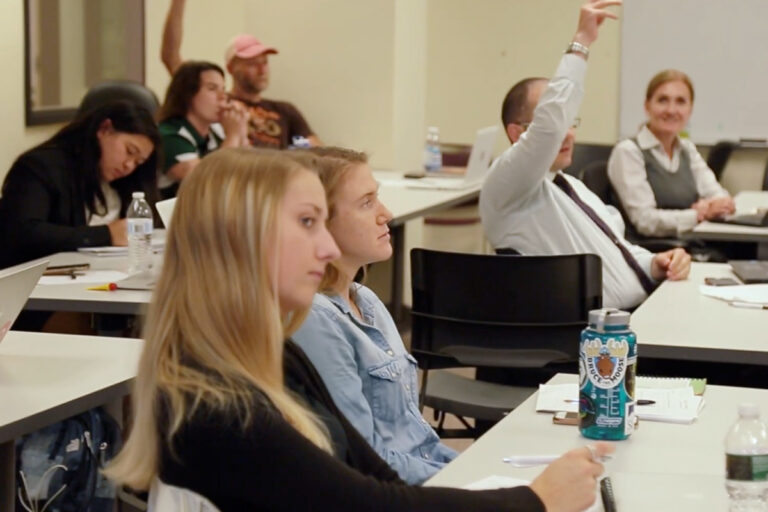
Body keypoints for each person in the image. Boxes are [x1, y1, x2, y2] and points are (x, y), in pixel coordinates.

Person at [105, 147, 612, 512]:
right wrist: (536, 500)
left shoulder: (273, 363)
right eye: (307, 224)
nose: (326, 250)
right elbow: (367, 504)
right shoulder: (218, 409)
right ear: (243, 242)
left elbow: (377, 478)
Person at [480, 0, 691, 311]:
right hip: (589, 338)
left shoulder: (569, 184)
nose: (568, 133)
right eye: (559, 122)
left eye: (572, 123)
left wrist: (656, 263)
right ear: (517, 134)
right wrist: (581, 42)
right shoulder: (508, 186)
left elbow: (617, 252)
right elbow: (549, 126)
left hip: (638, 312)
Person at [291, 147, 456, 485]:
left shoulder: (365, 300)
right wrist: (465, 483)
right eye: (367, 203)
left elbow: (417, 440)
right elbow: (366, 459)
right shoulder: (316, 321)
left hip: (426, 474)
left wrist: (477, 472)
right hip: (398, 492)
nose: (387, 214)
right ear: (319, 222)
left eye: (377, 198)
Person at [0, 101, 159, 269]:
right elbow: (24, 232)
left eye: (138, 162)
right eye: (130, 151)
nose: (129, 165)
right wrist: (106, 234)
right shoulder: (41, 167)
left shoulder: (124, 183)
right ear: (104, 129)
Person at [160, 0, 321, 149]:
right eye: (252, 64)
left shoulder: (285, 110)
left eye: (264, 62)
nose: (262, 70)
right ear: (230, 68)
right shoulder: (217, 103)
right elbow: (171, 57)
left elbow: (315, 146)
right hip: (236, 170)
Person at [607, 69, 734, 238]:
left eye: (681, 102)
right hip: (657, 254)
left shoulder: (687, 149)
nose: (671, 110)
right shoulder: (628, 151)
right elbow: (645, 220)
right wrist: (698, 215)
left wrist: (717, 205)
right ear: (647, 106)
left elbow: (718, 195)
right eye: (662, 100)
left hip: (692, 243)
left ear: (690, 110)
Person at [157, 60, 249, 198]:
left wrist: (242, 132)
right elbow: (206, 180)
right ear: (188, 94)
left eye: (223, 89)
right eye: (212, 89)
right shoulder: (168, 134)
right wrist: (233, 137)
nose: (223, 97)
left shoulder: (216, 132)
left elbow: (248, 173)